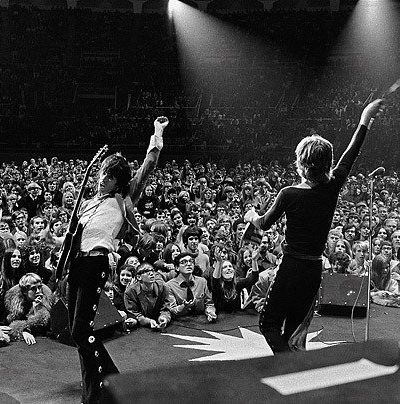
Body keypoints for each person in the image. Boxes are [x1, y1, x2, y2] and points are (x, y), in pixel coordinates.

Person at [244, 99, 383, 353]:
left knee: (268, 323)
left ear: (301, 164)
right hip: (313, 268)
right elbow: (351, 153)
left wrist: (251, 215)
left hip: (291, 266)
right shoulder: (332, 187)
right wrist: (365, 118)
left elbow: (264, 224)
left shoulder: (288, 194)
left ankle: (288, 366)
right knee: (293, 329)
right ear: (328, 163)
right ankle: (293, 368)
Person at [66, 116, 168, 404]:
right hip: (77, 264)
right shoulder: (87, 204)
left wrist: (157, 133)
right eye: (103, 173)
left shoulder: (123, 199)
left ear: (118, 182)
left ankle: (100, 391)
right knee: (78, 334)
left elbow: (148, 167)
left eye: (110, 176)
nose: (103, 179)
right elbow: (73, 239)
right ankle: (106, 385)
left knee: (81, 330)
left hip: (96, 263)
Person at [4, 273, 54, 345]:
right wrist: (22, 331)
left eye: (40, 287)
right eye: (33, 289)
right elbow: (10, 326)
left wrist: (37, 309)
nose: (38, 291)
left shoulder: (46, 301)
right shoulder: (15, 304)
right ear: (25, 291)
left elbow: (44, 326)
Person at [166, 252, 217, 322]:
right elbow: (172, 310)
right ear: (177, 268)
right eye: (184, 262)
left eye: (191, 261)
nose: (189, 264)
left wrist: (210, 313)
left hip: (201, 320)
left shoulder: (202, 282)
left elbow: (209, 304)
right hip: (180, 322)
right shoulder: (169, 286)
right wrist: (183, 306)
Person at [124, 263, 171, 329]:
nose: (151, 274)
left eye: (152, 271)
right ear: (139, 277)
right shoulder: (130, 292)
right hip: (140, 327)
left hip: (160, 323)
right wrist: (149, 321)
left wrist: (164, 317)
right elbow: (134, 313)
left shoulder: (163, 287)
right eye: (146, 271)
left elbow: (166, 308)